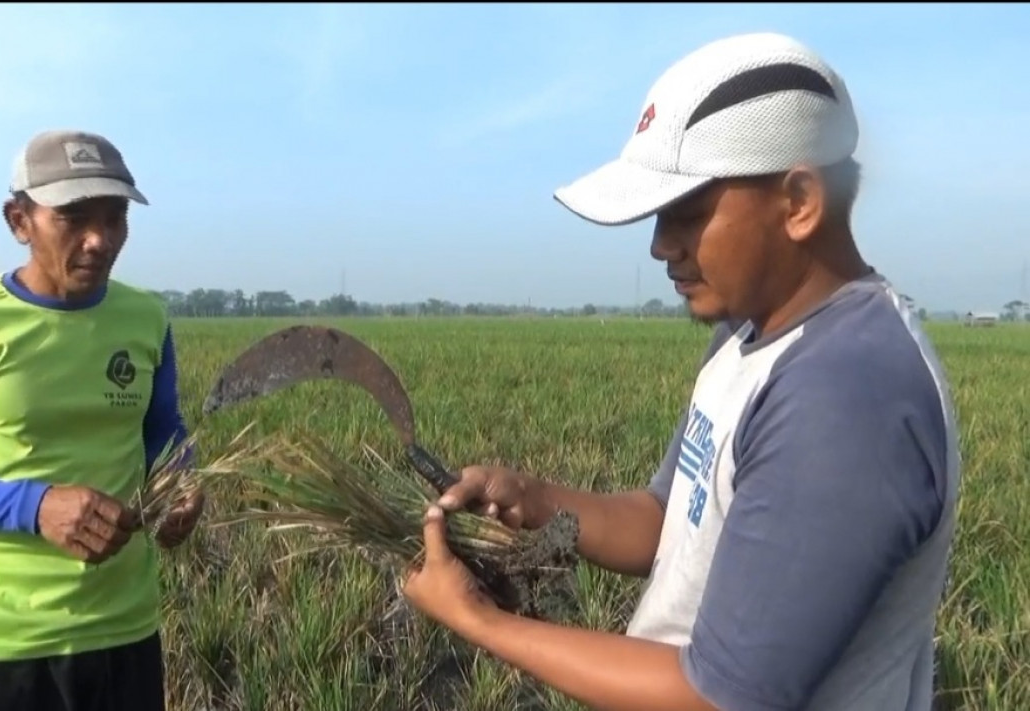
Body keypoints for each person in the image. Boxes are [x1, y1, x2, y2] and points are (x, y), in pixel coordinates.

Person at [402, 32, 960, 711]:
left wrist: (478, 619)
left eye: (687, 213)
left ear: (798, 203)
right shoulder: (749, 331)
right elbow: (670, 522)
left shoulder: (845, 397)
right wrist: (535, 497)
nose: (661, 245)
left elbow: (716, 697)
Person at [0, 129, 204, 711]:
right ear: (19, 222)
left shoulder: (146, 319)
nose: (100, 239)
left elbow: (162, 430)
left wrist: (181, 478)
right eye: (73, 217)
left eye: (116, 217)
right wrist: (36, 507)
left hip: (123, 631)